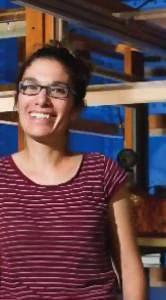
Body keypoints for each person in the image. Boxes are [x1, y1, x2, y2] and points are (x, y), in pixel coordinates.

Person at [0, 44, 147, 300]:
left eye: (58, 90)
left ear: (76, 108)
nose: (41, 100)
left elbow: (129, 267)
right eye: (30, 87)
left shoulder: (102, 173)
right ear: (18, 98)